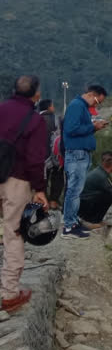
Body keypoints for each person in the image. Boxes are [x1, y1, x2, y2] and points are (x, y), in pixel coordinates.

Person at [0, 75, 49, 313]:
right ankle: (9, 294)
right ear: (36, 95)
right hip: (16, 181)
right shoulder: (35, 121)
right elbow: (35, 159)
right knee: (13, 234)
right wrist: (40, 189)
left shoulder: (1, 109)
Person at [61, 85, 109, 239]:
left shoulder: (82, 107)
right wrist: (92, 126)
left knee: (77, 190)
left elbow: (81, 129)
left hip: (82, 153)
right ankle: (68, 226)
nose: (96, 105)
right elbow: (71, 129)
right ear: (91, 95)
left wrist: (94, 128)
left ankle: (74, 221)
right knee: (74, 190)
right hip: (76, 153)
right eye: (97, 102)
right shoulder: (76, 106)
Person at [78, 151, 112, 228]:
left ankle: (94, 220)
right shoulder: (102, 176)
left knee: (108, 193)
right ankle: (90, 221)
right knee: (109, 196)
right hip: (83, 208)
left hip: (82, 205)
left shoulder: (101, 172)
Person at [38, 99, 64, 209]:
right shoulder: (56, 119)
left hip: (40, 156)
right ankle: (53, 201)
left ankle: (42, 204)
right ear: (49, 107)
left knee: (42, 179)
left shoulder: (36, 119)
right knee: (57, 177)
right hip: (55, 155)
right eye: (52, 105)